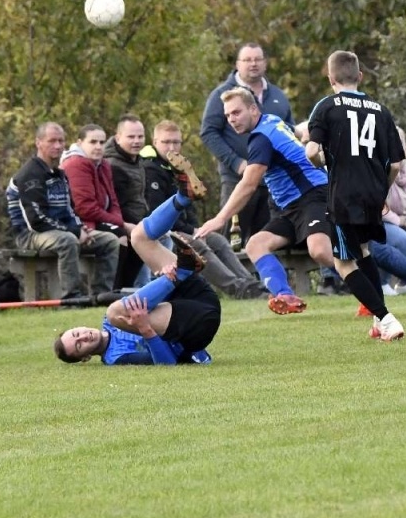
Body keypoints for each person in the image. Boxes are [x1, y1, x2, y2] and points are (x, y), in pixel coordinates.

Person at [195, 87, 331, 315]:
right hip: (291, 206)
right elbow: (296, 133)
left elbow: (248, 184)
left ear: (253, 109)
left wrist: (220, 219)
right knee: (256, 245)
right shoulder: (271, 121)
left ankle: (367, 286)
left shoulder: (261, 138)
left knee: (319, 251)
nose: (231, 120)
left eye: (236, 113)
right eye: (228, 116)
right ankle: (285, 297)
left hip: (313, 195)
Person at [304, 50, 406, 340]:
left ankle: (387, 319)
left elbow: (312, 151)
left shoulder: (326, 107)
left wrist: (323, 163)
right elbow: (397, 164)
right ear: (359, 77)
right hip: (373, 194)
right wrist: (383, 192)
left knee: (343, 262)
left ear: (330, 78)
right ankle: (379, 320)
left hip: (344, 194)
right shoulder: (380, 110)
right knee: (363, 252)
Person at [53, 234, 220, 365]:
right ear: (86, 357)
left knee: (140, 237)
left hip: (200, 299)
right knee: (115, 312)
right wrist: (144, 328)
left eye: (76, 333)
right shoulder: (117, 357)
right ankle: (181, 271)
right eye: (79, 345)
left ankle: (182, 198)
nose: (83, 337)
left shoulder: (109, 320)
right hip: (195, 328)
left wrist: (164, 275)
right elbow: (167, 363)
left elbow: (155, 298)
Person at [142, 120, 264, 299]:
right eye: (166, 142)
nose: (172, 147)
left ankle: (249, 284)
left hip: (182, 229)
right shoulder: (150, 169)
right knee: (196, 244)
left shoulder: (179, 167)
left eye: (176, 142)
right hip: (160, 234)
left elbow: (188, 206)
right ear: (155, 142)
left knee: (218, 241)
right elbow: (160, 214)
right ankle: (236, 288)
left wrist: (195, 227)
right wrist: (191, 230)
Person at [200, 43, 294, 245]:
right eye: (247, 60)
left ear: (265, 63)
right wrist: (236, 163)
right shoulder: (222, 95)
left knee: (267, 241)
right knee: (229, 241)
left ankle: (263, 278)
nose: (253, 64)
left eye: (257, 59)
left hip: (272, 182)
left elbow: (290, 131)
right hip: (236, 179)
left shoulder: (278, 96)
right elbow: (208, 133)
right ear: (237, 64)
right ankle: (229, 278)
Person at [6, 122, 86, 299]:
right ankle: (72, 297)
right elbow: (36, 220)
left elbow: (70, 209)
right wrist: (74, 232)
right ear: (38, 143)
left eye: (61, 141)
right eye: (51, 141)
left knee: (108, 241)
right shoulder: (29, 175)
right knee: (68, 241)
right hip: (29, 235)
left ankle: (102, 295)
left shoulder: (59, 174)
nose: (57, 146)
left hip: (57, 231)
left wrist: (80, 228)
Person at [60, 124, 122, 294]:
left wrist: (120, 222)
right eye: (93, 142)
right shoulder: (76, 164)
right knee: (119, 239)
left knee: (138, 236)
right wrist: (122, 225)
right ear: (80, 143)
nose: (98, 147)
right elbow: (84, 208)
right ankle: (103, 293)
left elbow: (113, 200)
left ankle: (126, 290)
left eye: (102, 142)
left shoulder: (103, 165)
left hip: (98, 221)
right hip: (83, 224)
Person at [105, 115, 153, 288]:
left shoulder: (137, 160)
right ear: (118, 138)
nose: (136, 141)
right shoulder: (113, 165)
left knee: (165, 235)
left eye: (140, 137)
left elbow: (141, 197)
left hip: (138, 221)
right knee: (140, 241)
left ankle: (146, 287)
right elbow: (117, 203)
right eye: (131, 137)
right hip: (120, 223)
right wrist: (137, 225)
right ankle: (127, 288)